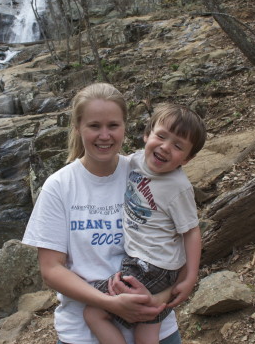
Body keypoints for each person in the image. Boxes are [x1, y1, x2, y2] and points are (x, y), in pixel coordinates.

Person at [22, 83, 182, 344]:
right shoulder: (59, 186)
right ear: (78, 128)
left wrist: (156, 300)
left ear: (125, 127)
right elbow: (51, 269)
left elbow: (177, 244)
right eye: (94, 126)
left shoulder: (146, 175)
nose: (104, 135)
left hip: (156, 326)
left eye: (113, 126)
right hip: (84, 335)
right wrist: (111, 303)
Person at [83, 103, 206, 344]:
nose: (165, 147)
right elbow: (106, 161)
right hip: (151, 262)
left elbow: (191, 231)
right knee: (147, 328)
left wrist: (191, 276)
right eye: (161, 136)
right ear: (146, 134)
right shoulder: (135, 161)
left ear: (189, 159)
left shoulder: (177, 187)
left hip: (151, 264)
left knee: (94, 312)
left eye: (178, 146)